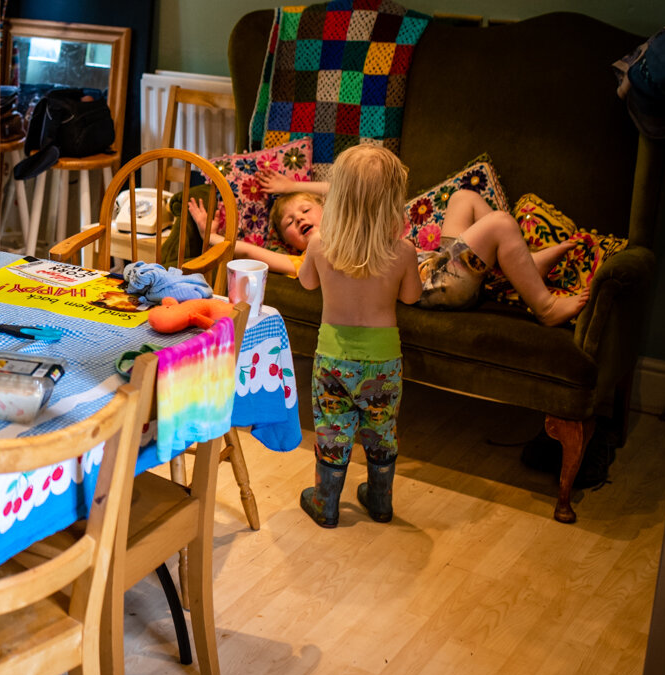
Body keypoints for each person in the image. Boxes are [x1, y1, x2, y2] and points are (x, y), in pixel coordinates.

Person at [191, 167, 588, 326]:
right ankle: (546, 306)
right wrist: (212, 236)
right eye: (292, 226)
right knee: (499, 223)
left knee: (464, 199)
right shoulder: (312, 254)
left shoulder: (351, 212)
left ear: (329, 208)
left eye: (305, 211)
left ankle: (522, 266)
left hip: (436, 264)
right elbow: (250, 251)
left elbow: (342, 187)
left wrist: (291, 187)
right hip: (434, 285)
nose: (300, 223)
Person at [294, 145, 422, 528]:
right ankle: (380, 501)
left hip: (333, 359)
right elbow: (412, 296)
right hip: (383, 362)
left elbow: (305, 282)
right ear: (392, 205)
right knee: (381, 431)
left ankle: (326, 503)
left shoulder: (320, 245)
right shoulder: (402, 251)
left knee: (333, 431)